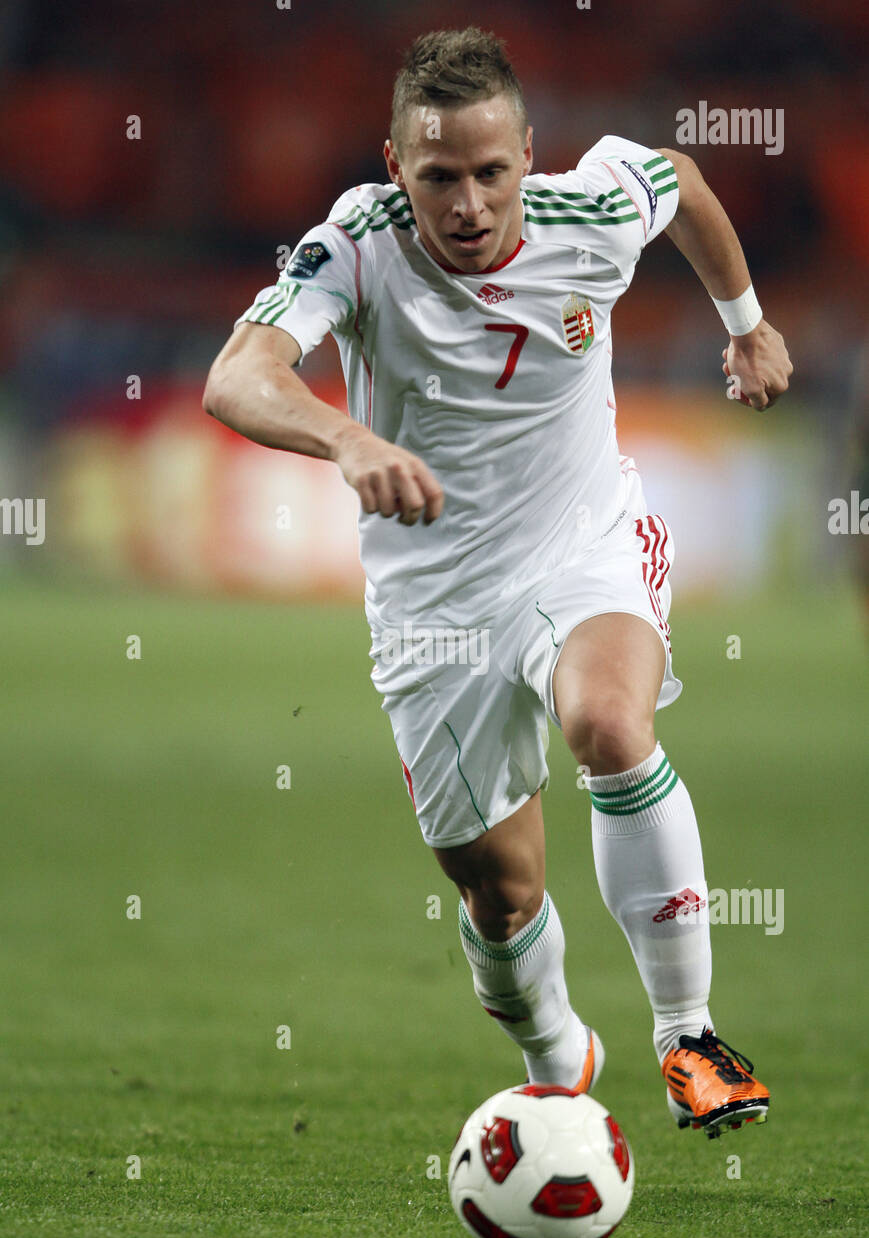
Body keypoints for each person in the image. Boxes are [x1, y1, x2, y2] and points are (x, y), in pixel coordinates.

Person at [203, 27, 792, 1138]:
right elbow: (238, 374)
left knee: (609, 724)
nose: (467, 205)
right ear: (394, 165)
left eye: (489, 173)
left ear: (530, 152)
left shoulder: (595, 208)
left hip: (583, 541)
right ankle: (557, 1052)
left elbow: (689, 185)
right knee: (497, 887)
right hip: (435, 607)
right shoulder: (360, 244)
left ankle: (688, 1034)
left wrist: (745, 325)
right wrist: (345, 440)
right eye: (437, 178)